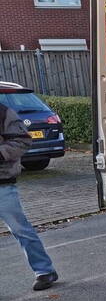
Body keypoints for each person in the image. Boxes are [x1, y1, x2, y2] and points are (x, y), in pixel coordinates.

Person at [1, 101, 57, 290]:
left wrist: (1, 154)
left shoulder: (3, 112)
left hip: (3, 184)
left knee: (21, 230)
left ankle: (44, 271)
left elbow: (23, 140)